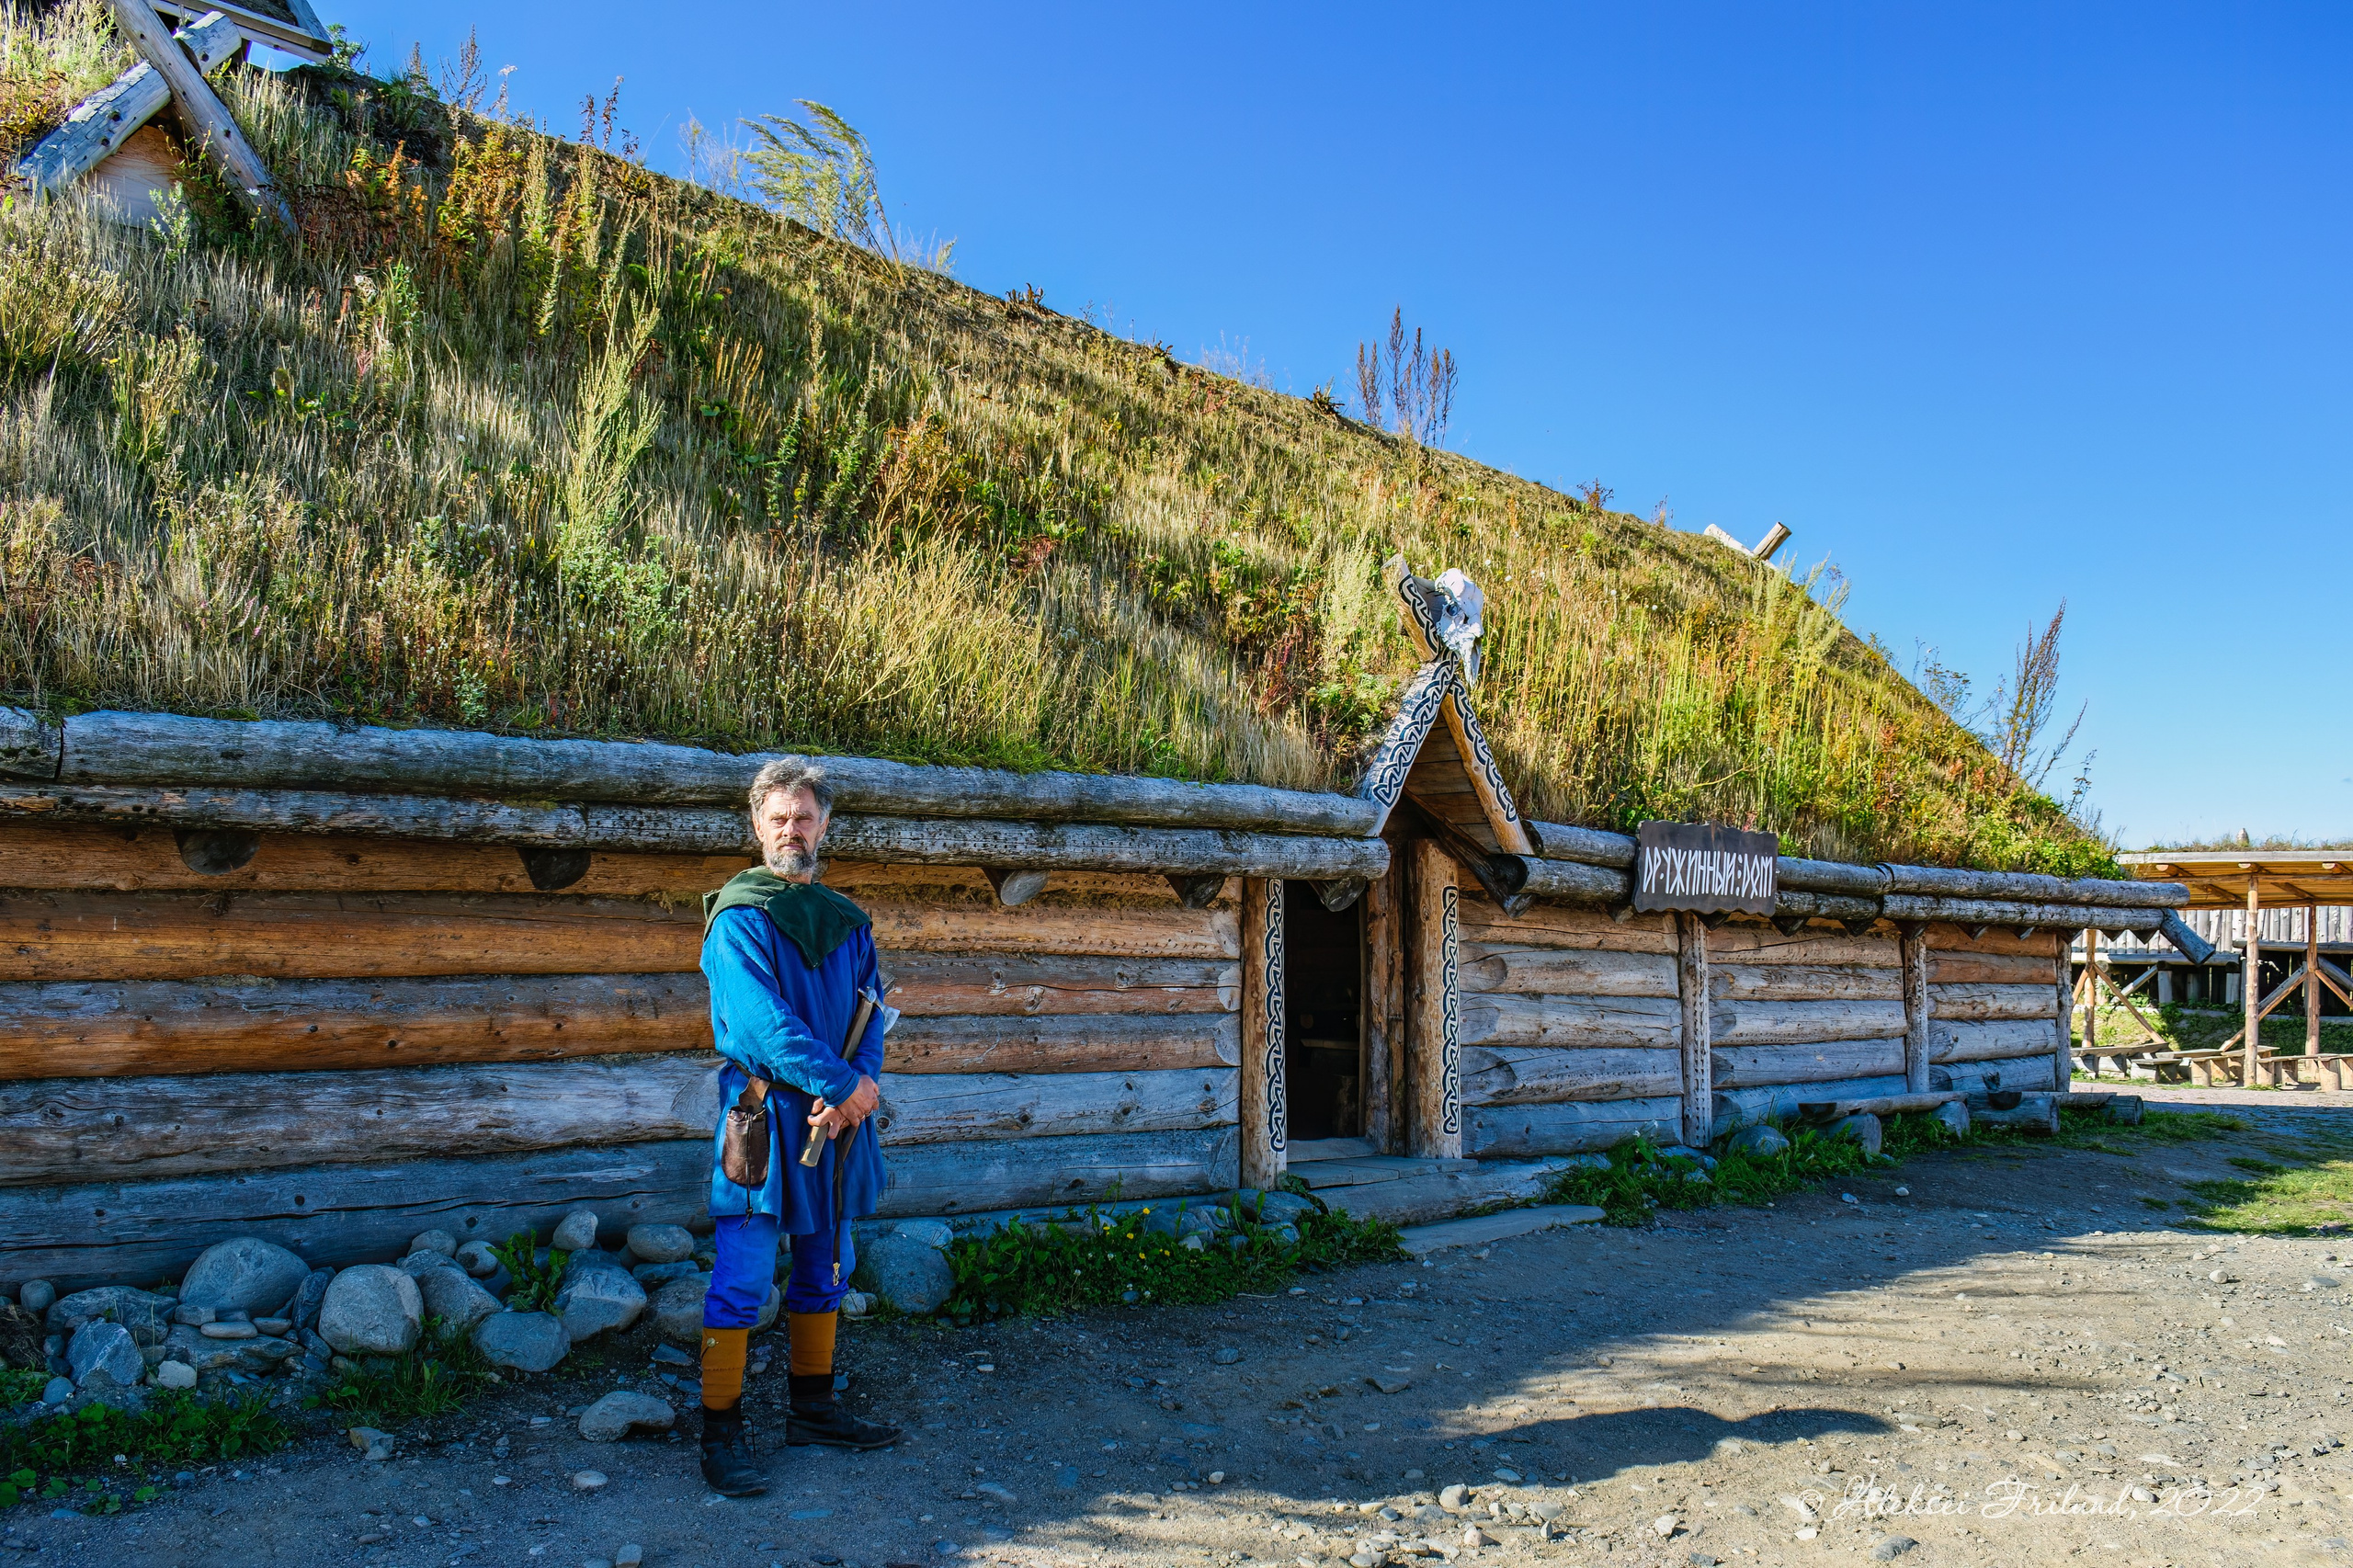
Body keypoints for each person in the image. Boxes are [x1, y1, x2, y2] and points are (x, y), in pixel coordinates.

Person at [694, 758, 900, 1496]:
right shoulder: (738, 920)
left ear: (823, 827)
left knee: (828, 1266)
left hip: (834, 1120)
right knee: (744, 1279)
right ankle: (720, 1433)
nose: (792, 830)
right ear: (757, 826)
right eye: (778, 818)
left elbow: (871, 1012)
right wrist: (845, 1086)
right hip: (766, 1120)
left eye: (804, 818)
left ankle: (813, 1410)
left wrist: (859, 1090)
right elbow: (761, 1027)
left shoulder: (849, 924)